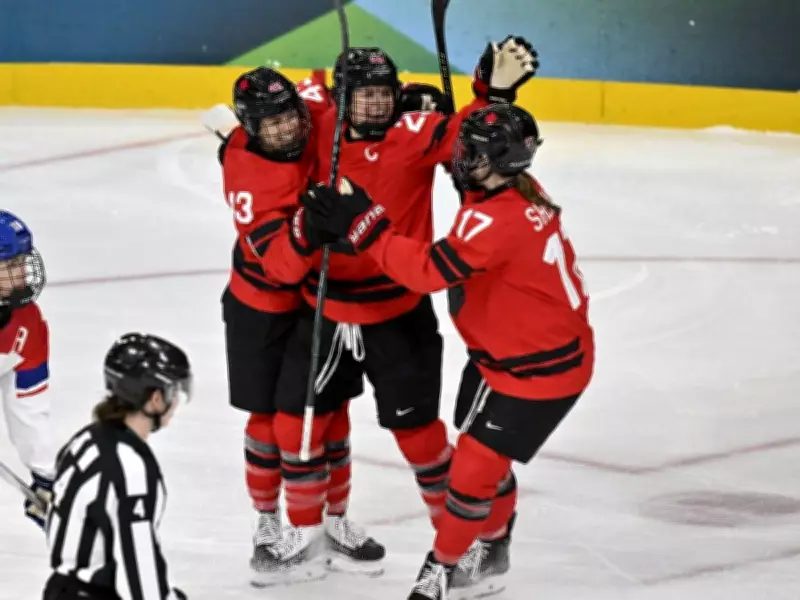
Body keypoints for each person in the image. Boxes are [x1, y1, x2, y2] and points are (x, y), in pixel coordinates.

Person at [259, 38, 539, 577]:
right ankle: (307, 531)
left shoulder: (416, 132)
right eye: (362, 96)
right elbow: (270, 122)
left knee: (424, 440)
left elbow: (479, 136)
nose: (376, 106)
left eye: (384, 94)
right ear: (341, 97)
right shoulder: (313, 123)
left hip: (398, 311)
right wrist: (233, 135)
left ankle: (465, 544)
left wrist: (495, 90)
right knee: (301, 427)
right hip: (322, 307)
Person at [299, 104, 595, 600]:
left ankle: (441, 570)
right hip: (500, 359)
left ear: (502, 160)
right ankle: (493, 546)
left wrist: (364, 223)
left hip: (539, 373)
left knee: (472, 473)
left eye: (472, 153)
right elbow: (475, 205)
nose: (459, 158)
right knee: (485, 466)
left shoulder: (494, 221)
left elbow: (424, 273)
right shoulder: (520, 190)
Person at [218, 66, 383, 585]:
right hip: (262, 308)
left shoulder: (307, 113)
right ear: (251, 128)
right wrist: (309, 225)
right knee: (269, 421)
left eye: (290, 116)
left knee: (330, 412)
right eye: (272, 125)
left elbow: (327, 90)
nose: (288, 130)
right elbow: (280, 268)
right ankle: (268, 523)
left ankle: (332, 521)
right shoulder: (247, 174)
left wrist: (354, 86)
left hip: (321, 300)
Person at [42, 333, 192, 600]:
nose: (176, 402)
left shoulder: (85, 439)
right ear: (155, 398)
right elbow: (138, 566)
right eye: (174, 392)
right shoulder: (132, 467)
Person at [0, 210, 55, 529]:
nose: (21, 275)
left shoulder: (28, 325)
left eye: (22, 263)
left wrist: (45, 477)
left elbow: (29, 409)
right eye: (10, 266)